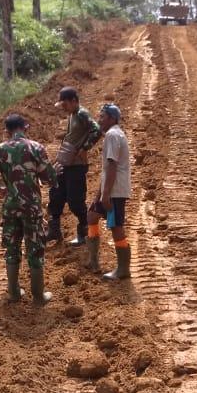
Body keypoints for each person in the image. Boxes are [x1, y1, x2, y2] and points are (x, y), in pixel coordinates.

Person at [0, 113, 57, 305]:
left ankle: (13, 292)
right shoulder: (36, 147)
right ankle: (38, 295)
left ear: (6, 131)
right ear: (25, 128)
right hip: (32, 207)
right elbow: (49, 178)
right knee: (35, 249)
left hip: (11, 207)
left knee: (12, 248)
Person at [47, 87, 102, 247]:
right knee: (56, 195)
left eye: (65, 104)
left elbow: (97, 130)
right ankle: (54, 231)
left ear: (73, 101)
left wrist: (84, 148)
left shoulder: (82, 113)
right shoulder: (72, 115)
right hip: (65, 162)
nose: (63, 108)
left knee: (75, 201)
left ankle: (84, 232)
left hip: (76, 165)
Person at [86, 101, 131, 281]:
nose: (100, 120)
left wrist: (105, 196)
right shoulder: (112, 135)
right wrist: (98, 196)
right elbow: (106, 169)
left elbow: (112, 166)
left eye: (103, 117)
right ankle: (93, 261)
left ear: (112, 118)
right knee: (91, 216)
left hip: (115, 191)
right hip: (109, 188)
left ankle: (123, 269)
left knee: (116, 227)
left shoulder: (113, 135)